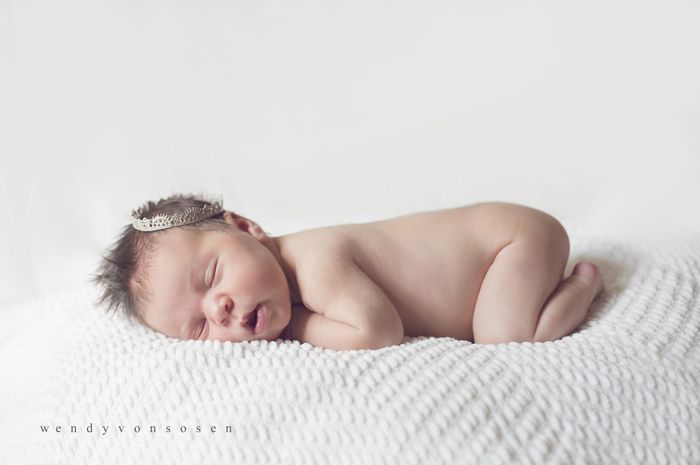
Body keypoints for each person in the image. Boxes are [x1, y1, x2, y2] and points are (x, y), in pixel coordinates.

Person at [92, 193, 604, 351]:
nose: (219, 308)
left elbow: (378, 331)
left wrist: (296, 325)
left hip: (511, 243)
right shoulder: (285, 281)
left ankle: (581, 285)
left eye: (211, 278)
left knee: (505, 336)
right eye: (199, 326)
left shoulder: (316, 263)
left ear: (247, 228)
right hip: (500, 250)